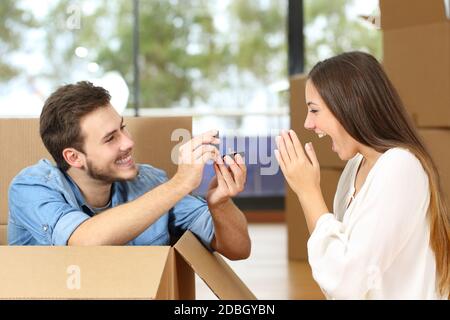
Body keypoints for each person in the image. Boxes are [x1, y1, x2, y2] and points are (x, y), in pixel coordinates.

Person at [8, 81, 251, 261]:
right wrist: (180, 183)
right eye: (110, 138)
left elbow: (239, 250)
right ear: (74, 157)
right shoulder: (31, 187)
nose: (128, 143)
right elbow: (84, 242)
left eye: (122, 128)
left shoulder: (151, 182)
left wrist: (220, 205)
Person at [275, 51, 449, 299]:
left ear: (350, 105)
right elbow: (333, 273)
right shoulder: (355, 167)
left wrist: (308, 191)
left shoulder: (400, 167)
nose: (308, 124)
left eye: (314, 110)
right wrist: (306, 192)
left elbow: (346, 283)